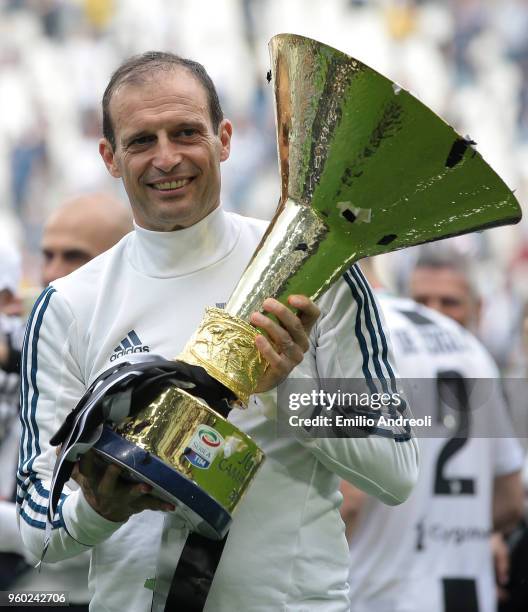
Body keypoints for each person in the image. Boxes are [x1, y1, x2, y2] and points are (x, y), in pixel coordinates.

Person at [16, 52, 418, 612]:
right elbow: (37, 525)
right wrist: (97, 510)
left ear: (224, 138)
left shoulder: (320, 270)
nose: (166, 158)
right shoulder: (67, 305)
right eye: (140, 141)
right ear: (109, 156)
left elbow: (396, 470)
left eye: (186, 132)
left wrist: (290, 392)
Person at [341, 257, 524, 612]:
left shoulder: (363, 339)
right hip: (466, 594)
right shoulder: (469, 346)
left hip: (382, 595)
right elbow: (509, 500)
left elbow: (350, 499)